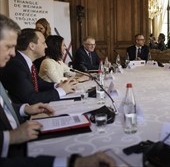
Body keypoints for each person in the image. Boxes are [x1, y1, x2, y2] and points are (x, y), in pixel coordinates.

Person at [0, 14, 115, 166]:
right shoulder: (16, 64)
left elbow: (8, 105)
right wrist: (10, 137)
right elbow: (31, 96)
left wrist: (24, 109)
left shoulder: (23, 63)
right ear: (32, 46)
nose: (13, 53)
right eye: (9, 47)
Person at [0, 28, 76, 104]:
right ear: (32, 46)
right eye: (43, 43)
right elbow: (31, 98)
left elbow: (39, 83)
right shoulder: (15, 65)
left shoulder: (25, 61)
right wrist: (62, 91)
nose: (46, 46)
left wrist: (57, 85)